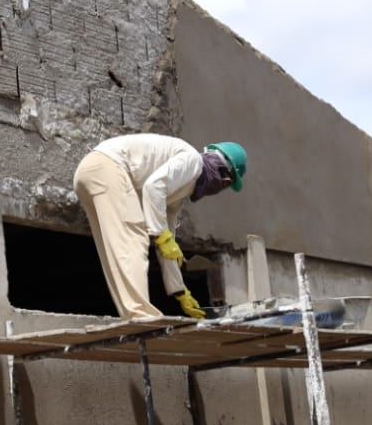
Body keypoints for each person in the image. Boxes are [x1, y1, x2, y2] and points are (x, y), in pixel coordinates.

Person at [72, 133, 246, 321]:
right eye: (226, 184)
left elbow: (167, 243)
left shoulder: (179, 191)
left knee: (116, 247)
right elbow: (153, 187)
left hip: (91, 172)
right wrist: (162, 236)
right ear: (224, 177)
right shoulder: (192, 161)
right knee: (133, 240)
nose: (221, 188)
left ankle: (133, 314)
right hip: (108, 168)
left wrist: (180, 290)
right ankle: (140, 315)